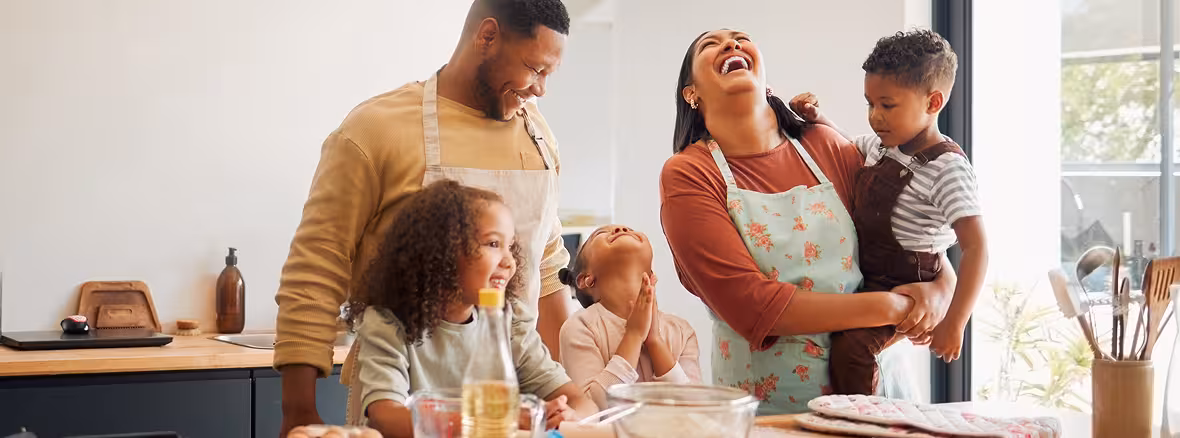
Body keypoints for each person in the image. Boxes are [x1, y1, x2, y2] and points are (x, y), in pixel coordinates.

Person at [272, 0, 575, 433]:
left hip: (507, 411)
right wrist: (297, 413)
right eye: (534, 68)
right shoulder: (375, 129)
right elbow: (317, 266)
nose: (541, 89)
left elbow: (545, 267)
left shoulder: (538, 135)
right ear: (486, 37)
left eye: (550, 74)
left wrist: (566, 396)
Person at [659, 28, 958, 415]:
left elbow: (898, 227)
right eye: (711, 44)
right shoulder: (688, 174)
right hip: (779, 408)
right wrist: (896, 307)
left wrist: (943, 285)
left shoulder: (823, 144)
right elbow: (753, 306)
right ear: (691, 93)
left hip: (883, 393)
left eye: (740, 38)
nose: (731, 44)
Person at [788, 29, 988, 396]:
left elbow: (977, 248)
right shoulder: (883, 148)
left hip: (907, 281)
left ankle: (862, 423)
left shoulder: (948, 168)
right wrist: (818, 119)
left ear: (933, 102)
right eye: (870, 104)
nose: (875, 117)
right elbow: (845, 147)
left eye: (888, 105)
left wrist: (956, 321)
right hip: (871, 274)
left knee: (852, 350)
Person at [347, 180, 595, 437]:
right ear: (441, 250)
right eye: (493, 244)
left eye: (510, 246)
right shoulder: (387, 324)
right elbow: (386, 418)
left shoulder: (509, 321)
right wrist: (496, 421)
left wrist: (568, 416)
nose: (510, 262)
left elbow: (581, 402)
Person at [557, 224, 702, 409]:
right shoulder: (580, 327)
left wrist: (654, 342)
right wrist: (633, 336)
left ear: (652, 276)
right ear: (587, 279)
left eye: (630, 229)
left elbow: (696, 408)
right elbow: (590, 408)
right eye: (602, 233)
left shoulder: (682, 331)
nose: (622, 230)